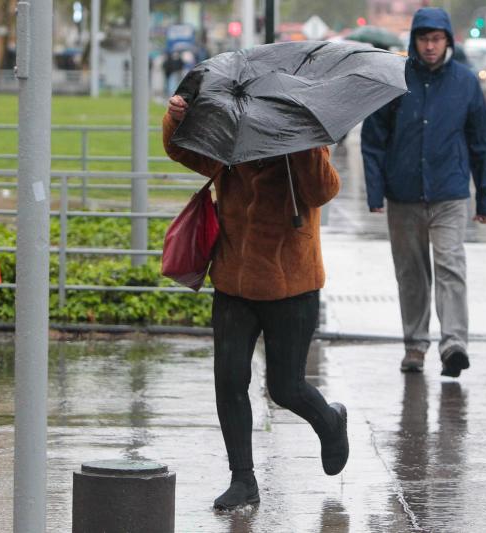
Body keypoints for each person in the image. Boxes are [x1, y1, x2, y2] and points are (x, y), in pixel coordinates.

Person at [162, 94, 349, 511]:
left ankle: (330, 421)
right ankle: (243, 479)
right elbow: (182, 150)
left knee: (286, 387)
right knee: (229, 380)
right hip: (233, 279)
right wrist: (176, 120)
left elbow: (323, 190)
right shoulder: (232, 141)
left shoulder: (305, 139)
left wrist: (302, 143)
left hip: (292, 285)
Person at [361, 7, 486, 377]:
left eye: (437, 39)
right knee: (411, 273)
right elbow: (373, 140)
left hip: (449, 192)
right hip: (403, 194)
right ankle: (415, 345)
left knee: (451, 266)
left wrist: (485, 198)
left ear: (448, 41)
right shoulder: (395, 80)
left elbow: (481, 143)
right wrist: (375, 192)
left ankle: (454, 343)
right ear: (414, 41)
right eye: (425, 39)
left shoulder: (466, 83)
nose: (431, 46)